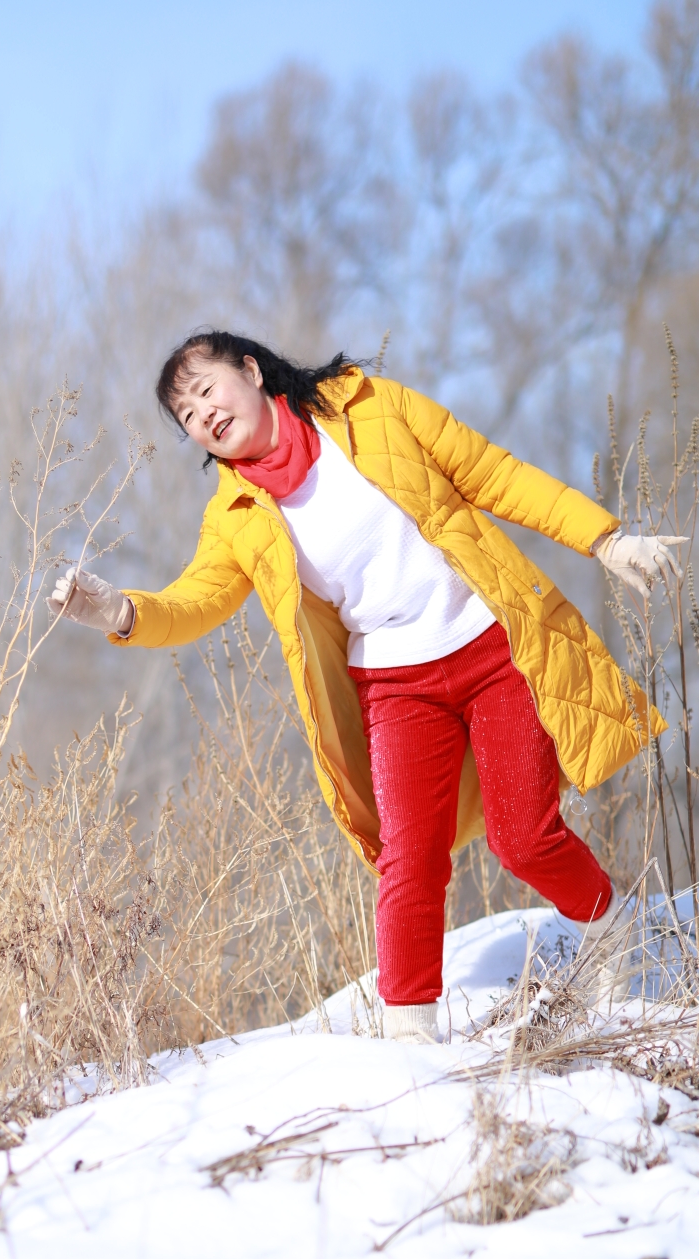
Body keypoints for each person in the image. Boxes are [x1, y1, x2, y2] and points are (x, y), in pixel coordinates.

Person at [49, 331, 681, 1042]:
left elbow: (493, 473)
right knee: (407, 859)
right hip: (394, 685)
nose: (204, 415)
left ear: (252, 372)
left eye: (207, 390)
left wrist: (605, 538)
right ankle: (409, 1038)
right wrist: (121, 612)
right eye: (188, 417)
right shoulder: (237, 518)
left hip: (493, 644)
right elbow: (197, 600)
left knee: (524, 839)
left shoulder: (370, 409)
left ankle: (610, 922)